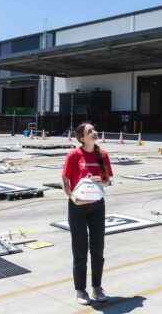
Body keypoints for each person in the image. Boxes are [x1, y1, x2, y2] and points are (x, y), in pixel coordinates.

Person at [62, 122, 113, 305]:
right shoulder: (74, 155)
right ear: (82, 137)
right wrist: (72, 198)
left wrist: (100, 179)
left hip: (97, 206)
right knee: (80, 250)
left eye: (94, 129)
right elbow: (65, 180)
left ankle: (97, 287)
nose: (94, 132)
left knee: (98, 249)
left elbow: (107, 181)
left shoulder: (102, 155)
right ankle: (80, 290)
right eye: (89, 131)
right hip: (78, 208)